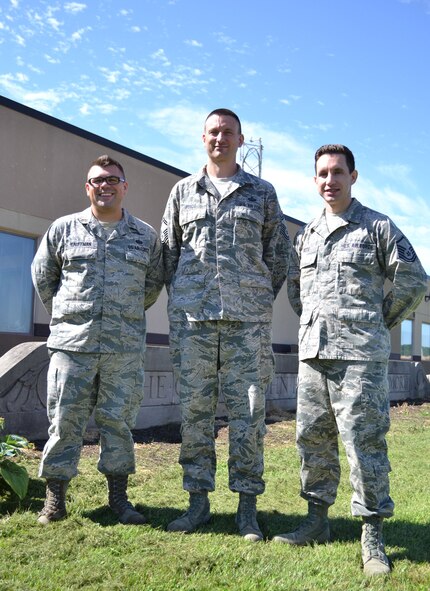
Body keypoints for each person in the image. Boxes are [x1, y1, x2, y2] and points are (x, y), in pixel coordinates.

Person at [273, 144, 427, 575]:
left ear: (353, 177)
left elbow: (413, 280)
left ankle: (372, 534)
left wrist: (379, 321)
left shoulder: (376, 226)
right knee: (312, 440)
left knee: (364, 445)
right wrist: (313, 328)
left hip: (360, 357)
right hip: (314, 357)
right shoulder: (306, 234)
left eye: (338, 172)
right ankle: (316, 520)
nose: (329, 180)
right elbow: (295, 289)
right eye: (322, 173)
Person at [161, 108, 290, 541]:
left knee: (249, 414)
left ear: (240, 139)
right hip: (194, 323)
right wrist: (185, 301)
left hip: (247, 325)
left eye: (228, 133)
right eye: (213, 132)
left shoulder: (262, 193)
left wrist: (250, 297)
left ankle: (247, 508)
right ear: (203, 138)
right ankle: (197, 502)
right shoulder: (182, 191)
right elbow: (167, 255)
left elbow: (278, 257)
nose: (220, 138)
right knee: (194, 413)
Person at [31, 154, 163, 525]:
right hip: (72, 347)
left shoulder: (145, 236)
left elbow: (151, 287)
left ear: (125, 187)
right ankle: (55, 501)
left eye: (112, 179)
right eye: (97, 180)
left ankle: (119, 500)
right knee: (63, 422)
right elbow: (44, 278)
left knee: (118, 423)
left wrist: (122, 317)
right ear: (87, 187)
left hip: (123, 350)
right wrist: (69, 318)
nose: (105, 185)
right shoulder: (64, 229)